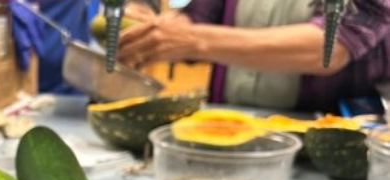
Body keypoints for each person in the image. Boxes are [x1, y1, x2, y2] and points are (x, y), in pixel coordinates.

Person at [115, 0, 390, 112]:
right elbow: (198, 16)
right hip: (230, 121)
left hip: (326, 136)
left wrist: (194, 40)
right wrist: (154, 28)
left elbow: (328, 49)